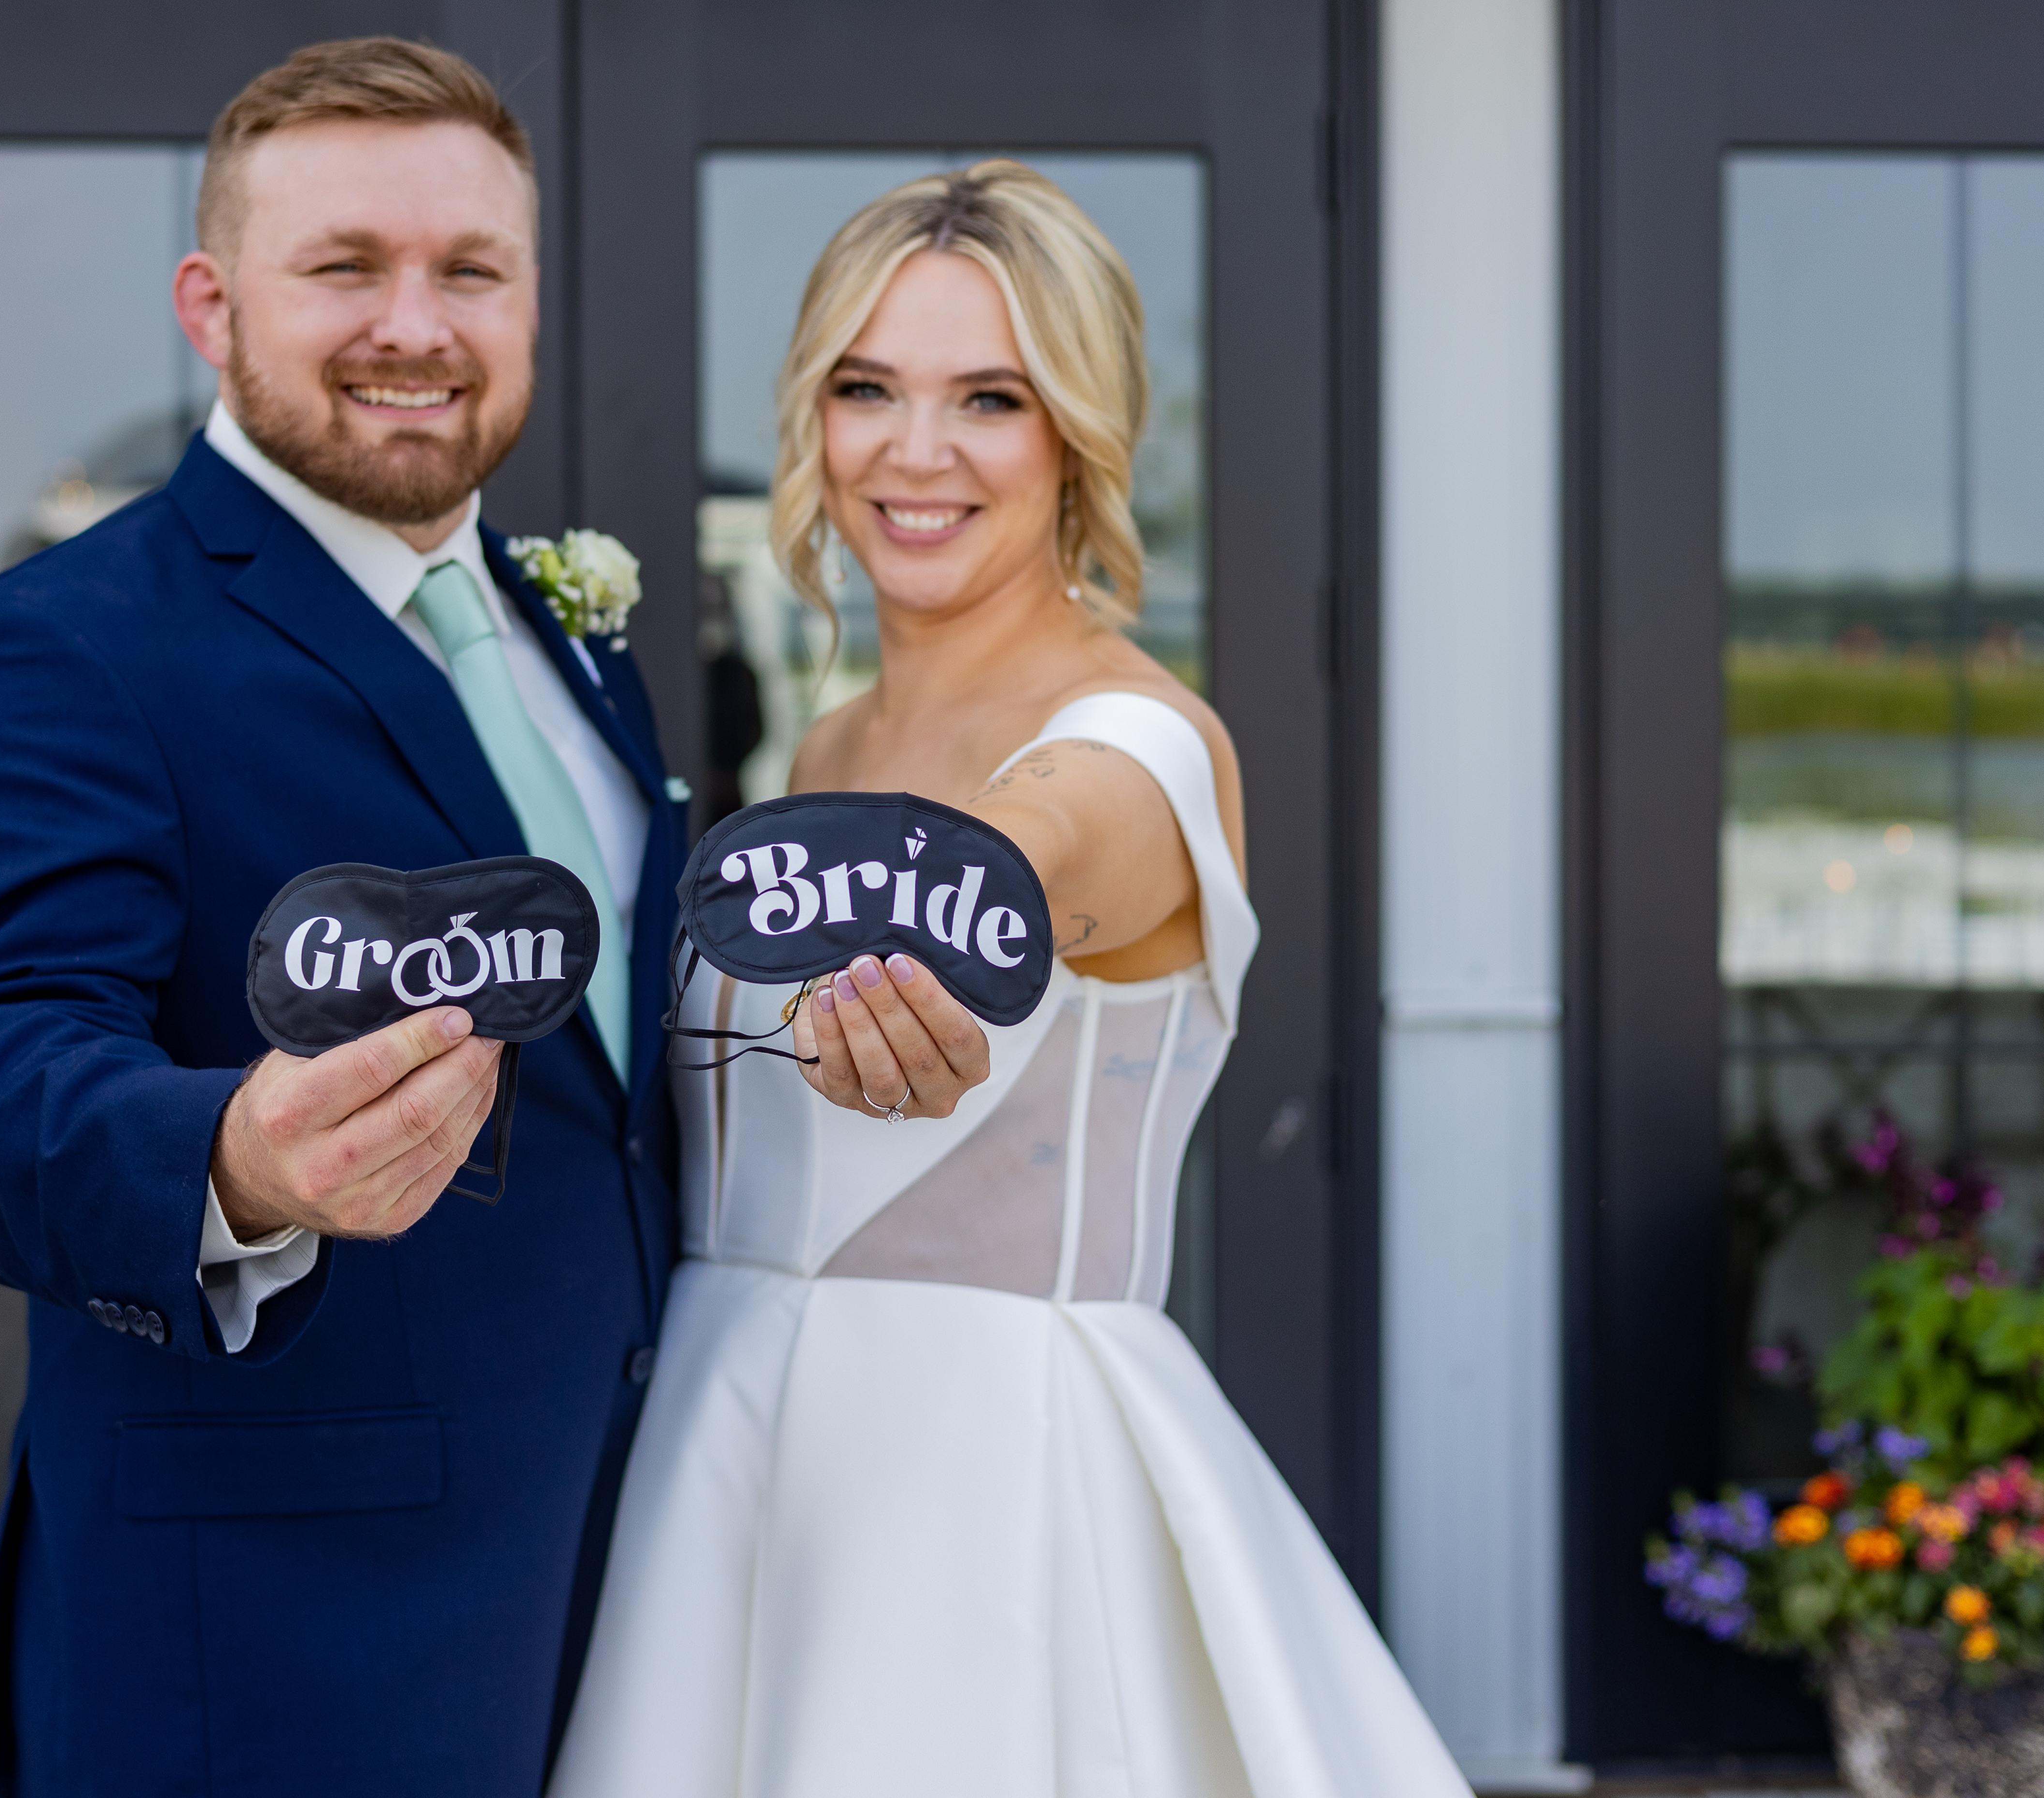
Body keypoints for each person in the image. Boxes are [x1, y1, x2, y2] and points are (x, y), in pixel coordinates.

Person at [549, 162, 1473, 1797]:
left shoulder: (1137, 746)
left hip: (976, 1485)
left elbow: (1018, 856)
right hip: (726, 1441)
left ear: (1078, 433)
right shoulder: (820, 750)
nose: (915, 452)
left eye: (990, 396)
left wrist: (934, 927)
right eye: (867, 390)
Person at [0, 38, 684, 1796]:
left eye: (471, 269)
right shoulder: (59, 651)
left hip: (632, 1571)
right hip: (286, 1636)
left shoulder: (577, 643)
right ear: (209, 302)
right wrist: (230, 1157)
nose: (417, 323)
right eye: (344, 268)